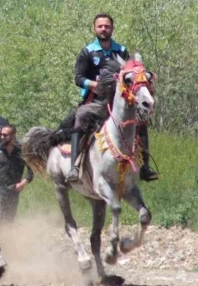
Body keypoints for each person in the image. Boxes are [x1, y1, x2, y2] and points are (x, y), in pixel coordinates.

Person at [65, 13, 158, 183]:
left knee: (141, 123)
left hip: (118, 100)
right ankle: (74, 167)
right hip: (94, 100)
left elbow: (129, 72)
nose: (103, 29)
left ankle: (145, 167)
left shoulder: (121, 50)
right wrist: (95, 85)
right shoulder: (88, 51)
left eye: (107, 26)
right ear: (94, 28)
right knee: (80, 117)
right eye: (100, 26)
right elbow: (78, 78)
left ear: (112, 29)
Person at [0, 124, 34, 225]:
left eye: (5, 135)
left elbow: (31, 171)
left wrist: (22, 183)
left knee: (9, 218)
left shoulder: (22, 151)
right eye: (1, 135)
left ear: (13, 135)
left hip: (14, 189)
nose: (2, 137)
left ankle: (8, 238)